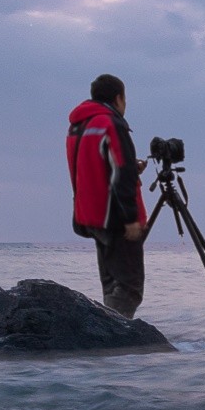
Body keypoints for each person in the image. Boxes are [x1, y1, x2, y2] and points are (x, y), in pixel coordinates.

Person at [66, 74, 150, 316]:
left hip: (90, 215)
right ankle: (115, 341)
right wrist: (131, 218)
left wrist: (132, 168)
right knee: (129, 287)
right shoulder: (111, 124)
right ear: (118, 98)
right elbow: (121, 172)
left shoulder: (78, 126)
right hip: (114, 217)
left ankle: (107, 345)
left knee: (112, 284)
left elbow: (94, 167)